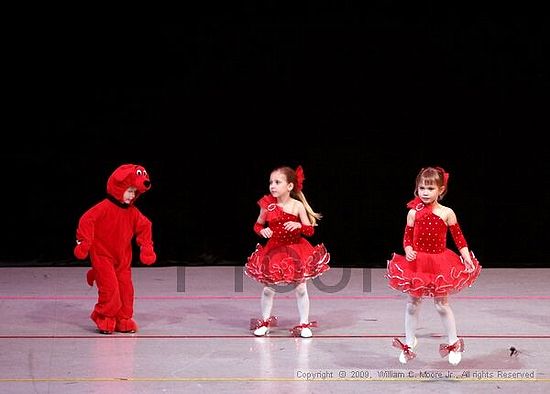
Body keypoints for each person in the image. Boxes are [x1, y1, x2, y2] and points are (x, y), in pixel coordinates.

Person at [386, 166, 482, 365]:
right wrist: (409, 248)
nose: (425, 193)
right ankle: (409, 341)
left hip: (439, 263)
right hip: (418, 264)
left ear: (441, 190)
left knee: (441, 305)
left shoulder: (447, 213)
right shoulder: (413, 212)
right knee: (412, 304)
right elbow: (407, 238)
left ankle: (453, 342)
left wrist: (467, 258)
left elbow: (459, 238)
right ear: (417, 189)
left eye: (430, 189)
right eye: (422, 188)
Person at [245, 165, 330, 338]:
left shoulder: (297, 206)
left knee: (300, 288)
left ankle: (304, 323)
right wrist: (262, 231)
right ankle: (265, 322)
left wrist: (299, 225)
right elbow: (257, 225)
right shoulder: (267, 205)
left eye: (277, 182)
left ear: (290, 186)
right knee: (269, 289)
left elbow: (310, 230)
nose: (272, 186)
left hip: (295, 250)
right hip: (274, 251)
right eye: (271, 182)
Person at [73, 163, 157, 334]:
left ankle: (122, 318)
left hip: (123, 259)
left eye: (134, 192)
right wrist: (85, 242)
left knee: (126, 290)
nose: (132, 195)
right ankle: (103, 316)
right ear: (119, 187)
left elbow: (145, 225)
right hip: (102, 256)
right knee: (110, 290)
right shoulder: (104, 207)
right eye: (129, 190)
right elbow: (86, 221)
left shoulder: (132, 212)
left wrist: (146, 247)